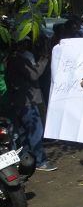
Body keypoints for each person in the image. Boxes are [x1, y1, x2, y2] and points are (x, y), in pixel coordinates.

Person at [5, 38, 56, 171]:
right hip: (26, 102)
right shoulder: (19, 60)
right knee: (35, 131)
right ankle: (40, 162)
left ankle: (27, 160)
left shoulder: (12, 58)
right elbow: (34, 75)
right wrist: (44, 58)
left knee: (23, 133)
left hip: (19, 100)